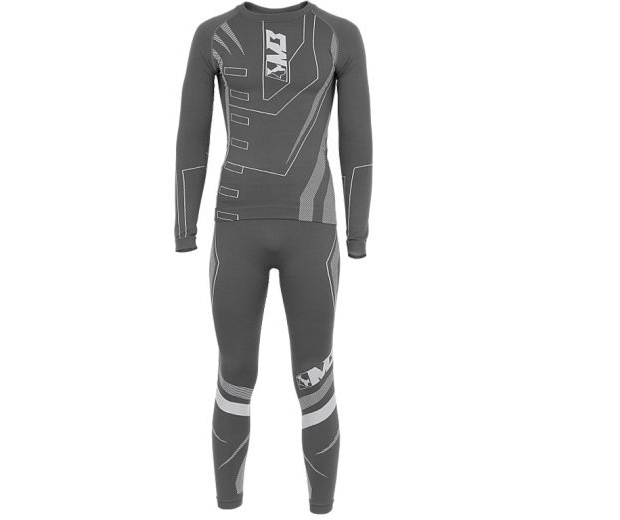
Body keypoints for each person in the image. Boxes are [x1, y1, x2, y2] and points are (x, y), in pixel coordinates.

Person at [173, 1, 372, 514]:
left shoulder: (340, 35)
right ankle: (227, 502)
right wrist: (184, 227)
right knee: (235, 372)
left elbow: (356, 139)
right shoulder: (212, 35)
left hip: (311, 231)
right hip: (239, 227)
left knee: (315, 375)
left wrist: (358, 233)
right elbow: (193, 133)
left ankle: (322, 509)